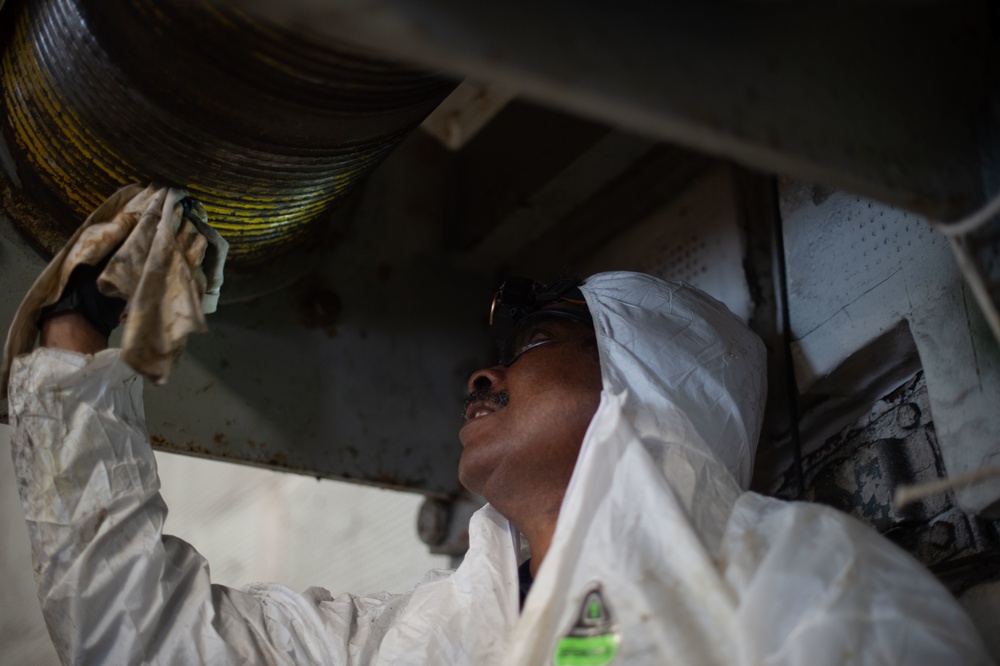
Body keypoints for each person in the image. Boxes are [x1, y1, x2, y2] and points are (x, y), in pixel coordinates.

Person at [6, 269, 990, 664]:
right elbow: (140, 635)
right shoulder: (431, 637)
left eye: (535, 338)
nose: (481, 371)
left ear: (644, 380)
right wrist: (72, 358)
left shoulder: (796, 574)